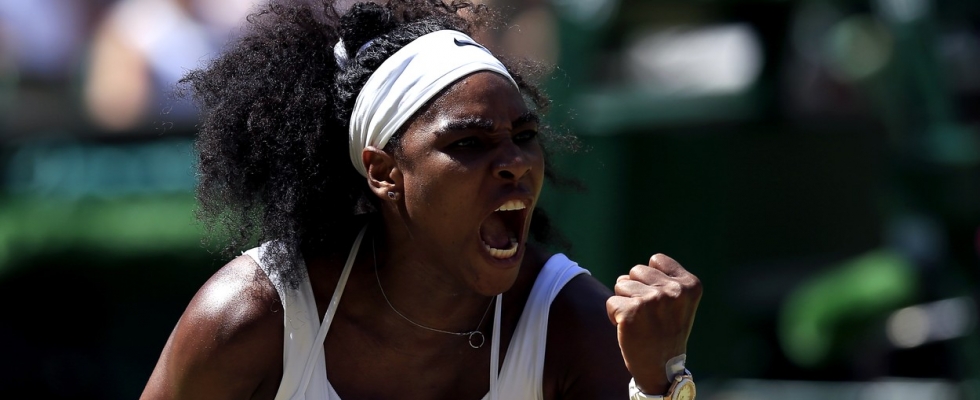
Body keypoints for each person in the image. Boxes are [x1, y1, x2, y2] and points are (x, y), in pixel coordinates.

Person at [139, 0, 703, 399]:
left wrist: (660, 381)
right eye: (469, 143)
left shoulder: (568, 319)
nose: (515, 161)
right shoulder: (252, 317)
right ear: (384, 172)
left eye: (524, 135)